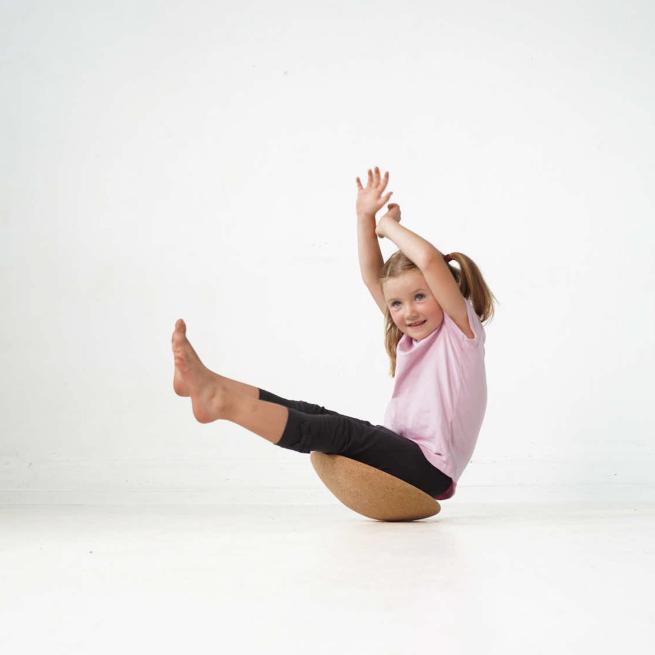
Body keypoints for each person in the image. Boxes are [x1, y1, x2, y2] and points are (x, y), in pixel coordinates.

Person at [171, 166, 496, 499]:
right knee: (314, 413)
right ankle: (206, 383)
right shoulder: (409, 337)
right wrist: (364, 217)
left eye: (420, 297)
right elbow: (372, 275)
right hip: (405, 453)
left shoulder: (460, 334)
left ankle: (221, 402)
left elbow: (429, 261)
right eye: (396, 304)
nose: (408, 312)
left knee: (338, 431)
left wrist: (389, 226)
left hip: (432, 469)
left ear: (443, 292)